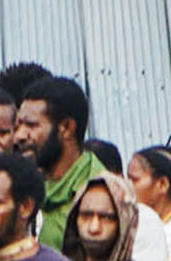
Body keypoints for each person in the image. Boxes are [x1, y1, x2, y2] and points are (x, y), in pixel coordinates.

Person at [12, 74, 111, 247]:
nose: (19, 136)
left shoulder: (103, 194)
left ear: (66, 128)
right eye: (18, 125)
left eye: (31, 125)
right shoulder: (20, 188)